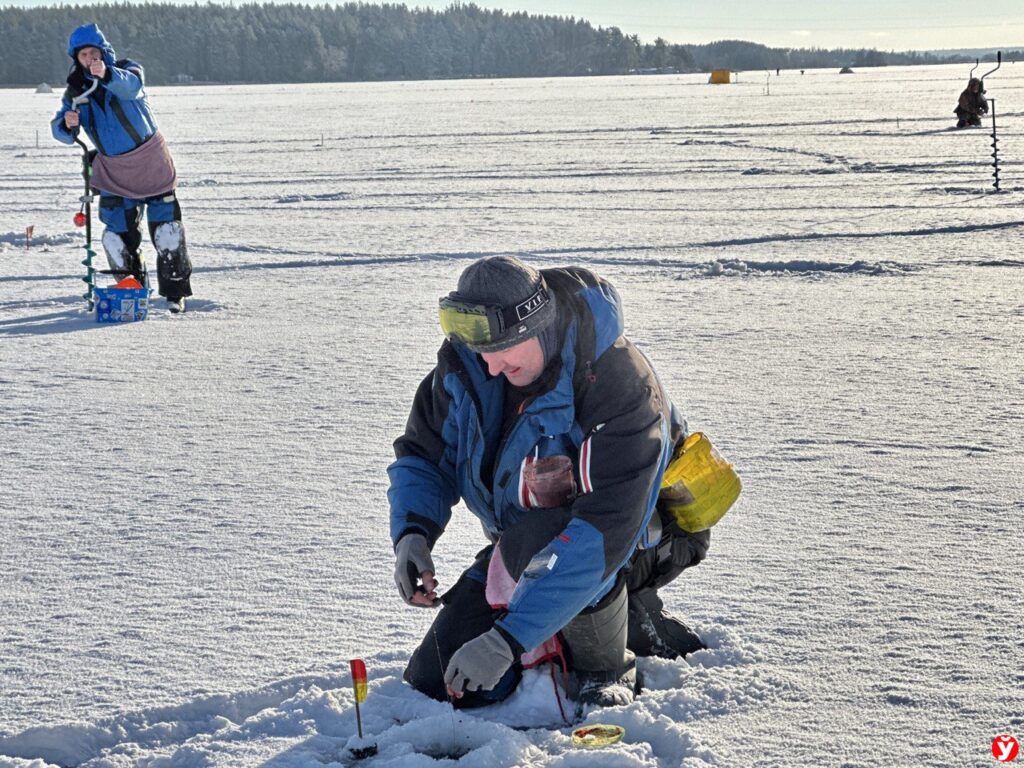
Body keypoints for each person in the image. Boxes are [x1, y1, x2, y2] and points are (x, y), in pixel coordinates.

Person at [388, 255, 711, 710]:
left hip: (638, 539)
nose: (492, 366)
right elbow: (424, 454)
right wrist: (412, 533)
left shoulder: (618, 384)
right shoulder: (467, 370)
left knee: (542, 546)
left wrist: (508, 639)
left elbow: (605, 527)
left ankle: (606, 664)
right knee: (439, 679)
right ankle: (561, 617)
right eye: (483, 351)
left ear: (535, 327)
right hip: (525, 541)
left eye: (502, 350)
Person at [51, 23, 193, 313]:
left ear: (103, 52)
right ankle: (131, 293)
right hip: (114, 174)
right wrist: (66, 125)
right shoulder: (76, 92)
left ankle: (174, 295)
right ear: (76, 59)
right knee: (115, 239)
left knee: (168, 233)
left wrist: (107, 74)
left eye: (94, 53)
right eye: (83, 55)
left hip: (152, 164)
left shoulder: (128, 70)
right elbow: (59, 129)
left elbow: (132, 89)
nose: (89, 59)